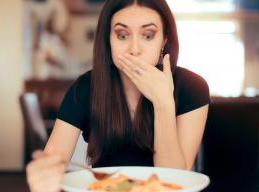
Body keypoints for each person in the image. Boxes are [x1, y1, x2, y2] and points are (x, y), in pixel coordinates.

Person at [26, 0, 210, 191]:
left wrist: (163, 102)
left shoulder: (192, 87)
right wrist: (44, 178)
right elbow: (54, 163)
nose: (135, 49)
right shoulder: (85, 88)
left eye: (148, 35)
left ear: (164, 40)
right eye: (122, 35)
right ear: (109, 40)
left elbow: (176, 180)